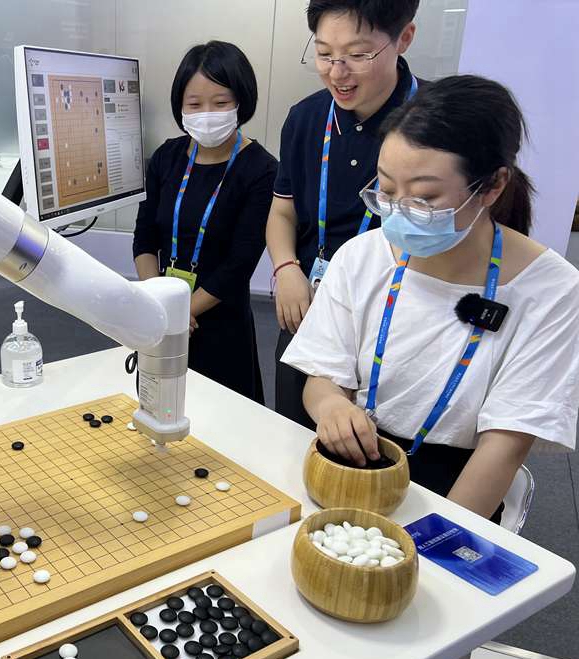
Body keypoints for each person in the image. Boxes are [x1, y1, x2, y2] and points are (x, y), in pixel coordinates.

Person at [281, 75, 579, 525]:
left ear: (493, 185)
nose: (399, 212)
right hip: (353, 466)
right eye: (386, 190)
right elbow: (322, 375)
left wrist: (436, 540)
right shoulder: (362, 257)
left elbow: (505, 443)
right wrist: (332, 406)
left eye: (424, 198)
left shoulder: (550, 290)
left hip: (459, 487)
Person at [266, 0, 421, 426]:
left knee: (372, 445)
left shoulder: (435, 124)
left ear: (404, 38)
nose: (337, 73)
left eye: (357, 55)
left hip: (394, 321)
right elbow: (282, 213)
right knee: (293, 434)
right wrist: (286, 269)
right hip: (309, 309)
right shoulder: (306, 118)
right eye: (324, 53)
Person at [133, 40, 277, 403]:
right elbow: (145, 237)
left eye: (221, 102)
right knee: (157, 408)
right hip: (163, 319)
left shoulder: (261, 170)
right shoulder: (166, 157)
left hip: (220, 322)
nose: (207, 114)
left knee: (220, 419)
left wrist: (182, 312)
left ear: (241, 101)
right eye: (195, 104)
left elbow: (239, 263)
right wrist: (158, 304)